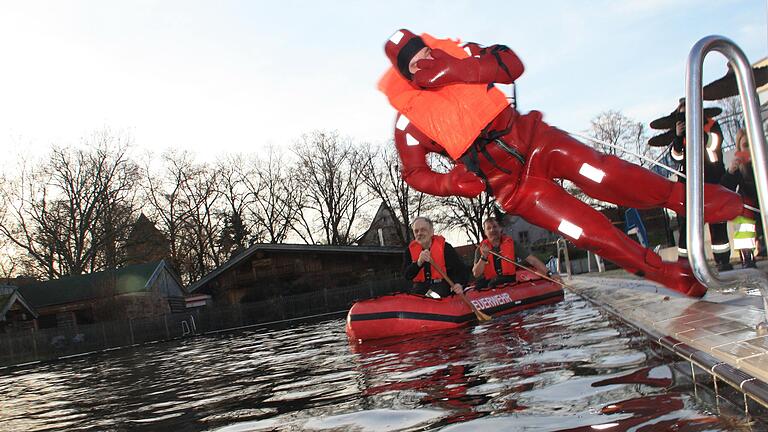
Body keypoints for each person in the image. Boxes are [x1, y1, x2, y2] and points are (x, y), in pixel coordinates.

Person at [380, 29, 744, 297]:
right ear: (407, 76)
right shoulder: (410, 124)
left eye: (425, 53)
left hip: (538, 141)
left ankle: (687, 198)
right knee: (586, 232)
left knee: (605, 174)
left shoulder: (462, 54)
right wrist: (450, 184)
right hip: (516, 189)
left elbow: (511, 63)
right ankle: (663, 272)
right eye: (415, 64)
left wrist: (461, 70)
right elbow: (414, 173)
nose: (425, 63)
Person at [667, 100, 733, 271]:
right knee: (688, 226)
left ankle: (723, 261)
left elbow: (713, 146)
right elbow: (676, 158)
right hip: (689, 186)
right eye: (682, 114)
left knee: (717, 223)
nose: (686, 116)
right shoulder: (682, 135)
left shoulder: (711, 125)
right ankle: (685, 264)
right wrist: (678, 137)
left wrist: (695, 130)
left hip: (712, 181)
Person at [472, 217, 561, 288]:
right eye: (489, 228)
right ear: (485, 232)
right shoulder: (480, 249)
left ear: (500, 229)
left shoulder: (511, 244)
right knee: (478, 285)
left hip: (507, 278)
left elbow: (532, 260)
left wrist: (549, 273)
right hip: (491, 279)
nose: (492, 230)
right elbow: (476, 273)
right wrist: (484, 256)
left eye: (495, 227)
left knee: (494, 283)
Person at [721, 129, 762, 268]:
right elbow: (726, 190)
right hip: (751, 207)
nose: (749, 149)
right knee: (743, 214)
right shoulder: (739, 166)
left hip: (764, 204)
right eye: (745, 145)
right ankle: (747, 255)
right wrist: (731, 172)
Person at [402, 216, 469, 298]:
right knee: (413, 298)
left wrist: (458, 283)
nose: (419, 233)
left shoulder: (445, 247)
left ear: (431, 232)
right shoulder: (409, 251)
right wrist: (418, 263)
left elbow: (460, 269)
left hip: (441, 286)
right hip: (420, 287)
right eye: (416, 231)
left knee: (433, 296)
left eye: (423, 230)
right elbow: (407, 275)